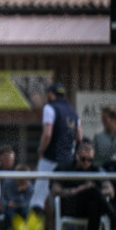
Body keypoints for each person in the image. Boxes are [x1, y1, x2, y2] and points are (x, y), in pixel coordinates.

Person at [50, 140, 116, 230]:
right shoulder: (65, 169)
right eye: (83, 159)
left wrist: (93, 192)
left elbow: (110, 191)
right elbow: (55, 190)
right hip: (71, 206)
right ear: (76, 156)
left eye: (90, 160)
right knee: (92, 192)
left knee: (94, 205)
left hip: (89, 210)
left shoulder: (96, 171)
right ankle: (115, 219)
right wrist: (77, 190)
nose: (87, 162)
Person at [29, 83, 82, 217]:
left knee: (38, 198)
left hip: (50, 158)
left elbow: (47, 134)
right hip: (67, 161)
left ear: (51, 94)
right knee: (60, 198)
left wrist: (41, 150)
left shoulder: (49, 108)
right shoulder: (73, 111)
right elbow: (79, 136)